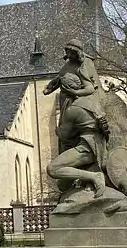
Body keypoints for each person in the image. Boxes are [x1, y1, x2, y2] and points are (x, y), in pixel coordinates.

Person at [44, 39, 108, 197]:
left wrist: (58, 130)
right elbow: (59, 78)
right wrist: (52, 86)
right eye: (68, 51)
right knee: (63, 184)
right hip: (90, 141)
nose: (69, 55)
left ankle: (93, 177)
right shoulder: (68, 68)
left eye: (73, 52)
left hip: (87, 146)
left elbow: (65, 136)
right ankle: (85, 179)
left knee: (55, 169)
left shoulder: (75, 107)